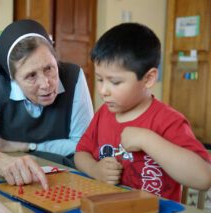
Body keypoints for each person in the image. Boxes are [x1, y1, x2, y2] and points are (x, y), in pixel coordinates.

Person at [74, 23, 211, 202]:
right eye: (100, 79)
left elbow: (203, 178)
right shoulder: (104, 114)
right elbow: (80, 154)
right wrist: (95, 170)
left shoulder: (168, 121)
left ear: (148, 78)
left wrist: (147, 139)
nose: (103, 90)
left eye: (115, 82)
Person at [0, 19, 93, 189]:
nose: (46, 84)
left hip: (68, 178)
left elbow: (84, 146)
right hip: (15, 184)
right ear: (13, 78)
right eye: (31, 76)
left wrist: (25, 146)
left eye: (49, 68)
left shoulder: (74, 76)